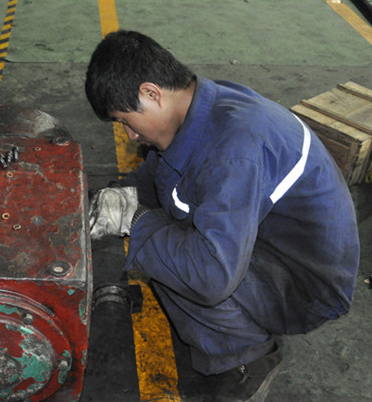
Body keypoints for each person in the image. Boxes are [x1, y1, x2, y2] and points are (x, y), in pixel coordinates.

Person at [85, 30, 360, 401]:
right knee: (168, 238)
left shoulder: (234, 149)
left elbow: (210, 275)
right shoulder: (198, 107)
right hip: (269, 241)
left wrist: (134, 220)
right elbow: (157, 175)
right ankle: (226, 329)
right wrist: (117, 196)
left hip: (305, 283)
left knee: (177, 258)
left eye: (125, 120)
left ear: (151, 93)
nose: (130, 135)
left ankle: (245, 360)